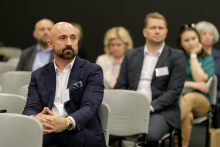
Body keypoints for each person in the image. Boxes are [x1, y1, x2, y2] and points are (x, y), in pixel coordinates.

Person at [22, 22, 106, 147]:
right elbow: (30, 107)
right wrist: (35, 118)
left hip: (82, 131)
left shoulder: (92, 70)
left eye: (73, 38)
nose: (69, 43)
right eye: (63, 38)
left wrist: (66, 123)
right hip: (48, 130)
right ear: (50, 44)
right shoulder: (38, 75)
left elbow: (90, 107)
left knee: (42, 136)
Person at [113, 12, 186, 147]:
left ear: (166, 32)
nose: (157, 31)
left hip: (160, 110)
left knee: (149, 136)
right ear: (145, 32)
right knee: (100, 132)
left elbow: (174, 92)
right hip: (129, 108)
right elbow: (120, 85)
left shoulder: (176, 56)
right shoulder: (131, 54)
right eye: (153, 28)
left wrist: (149, 107)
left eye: (161, 28)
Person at [176, 24, 215, 147]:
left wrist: (193, 56)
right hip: (179, 99)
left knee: (190, 98)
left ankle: (165, 126)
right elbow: (172, 82)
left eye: (193, 38)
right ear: (181, 43)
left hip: (202, 101)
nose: (191, 43)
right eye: (186, 40)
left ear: (198, 39)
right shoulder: (176, 58)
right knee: (187, 116)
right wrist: (194, 84)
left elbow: (200, 79)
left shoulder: (207, 59)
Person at [195, 21, 220, 101]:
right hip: (193, 89)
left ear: (214, 37)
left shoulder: (218, 55)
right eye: (204, 33)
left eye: (210, 34)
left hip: (214, 91)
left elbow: (214, 75)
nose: (207, 37)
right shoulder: (192, 55)